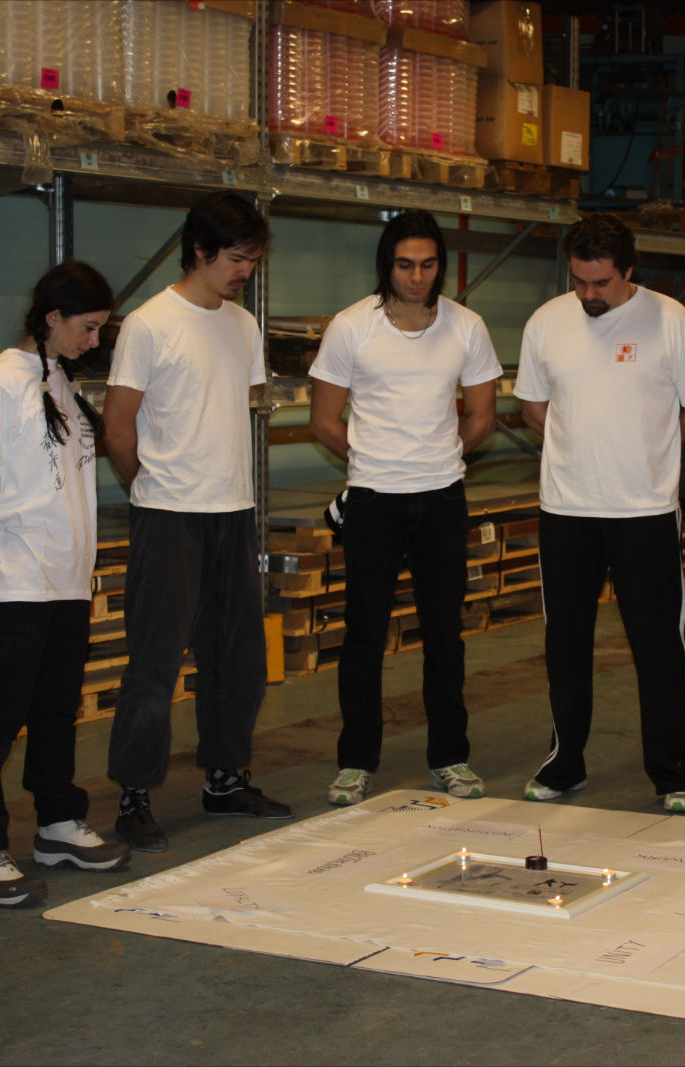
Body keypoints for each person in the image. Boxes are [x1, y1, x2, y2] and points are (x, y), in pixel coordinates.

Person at [102, 191, 292, 853]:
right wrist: (150, 488)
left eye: (253, 260)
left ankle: (224, 777)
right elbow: (117, 426)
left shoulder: (243, 326)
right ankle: (134, 793)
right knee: (155, 662)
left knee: (238, 658)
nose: (245, 271)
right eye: (236, 258)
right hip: (169, 515)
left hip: (232, 511)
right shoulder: (150, 324)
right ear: (201, 250)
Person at [513, 214, 685, 813]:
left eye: (601, 283)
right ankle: (564, 763)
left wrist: (645, 446)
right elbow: (533, 408)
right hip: (566, 509)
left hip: (644, 510)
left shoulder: (674, 324)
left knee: (659, 645)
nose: (589, 294)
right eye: (579, 281)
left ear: (629, 270)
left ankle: (675, 771)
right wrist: (582, 446)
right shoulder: (546, 322)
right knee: (565, 644)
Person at [0, 260, 132, 907]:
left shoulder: (58, 381)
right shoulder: (1, 383)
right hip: (16, 581)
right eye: (87, 327)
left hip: (66, 579)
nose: (93, 341)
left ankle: (57, 824)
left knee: (57, 708)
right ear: (52, 317)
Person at [308, 212, 502, 805]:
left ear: (440, 266)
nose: (417, 277)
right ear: (386, 265)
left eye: (428, 265)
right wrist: (375, 461)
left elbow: (482, 417)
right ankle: (355, 762)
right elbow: (323, 419)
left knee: (445, 633)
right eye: (405, 265)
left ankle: (450, 757)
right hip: (373, 501)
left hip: (442, 499)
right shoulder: (351, 327)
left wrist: (439, 456)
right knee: (363, 634)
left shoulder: (467, 327)